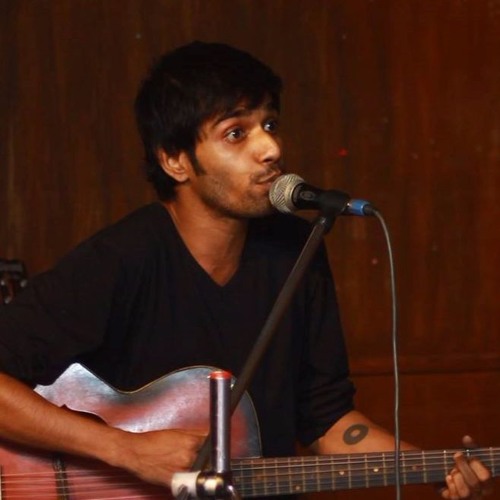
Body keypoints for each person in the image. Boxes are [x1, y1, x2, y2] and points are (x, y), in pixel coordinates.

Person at [0, 41, 493, 499]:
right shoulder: (123, 257)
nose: (270, 149)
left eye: (270, 125)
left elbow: (327, 421)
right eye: (236, 133)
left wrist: (436, 468)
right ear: (175, 161)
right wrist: (125, 450)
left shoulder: (297, 248)